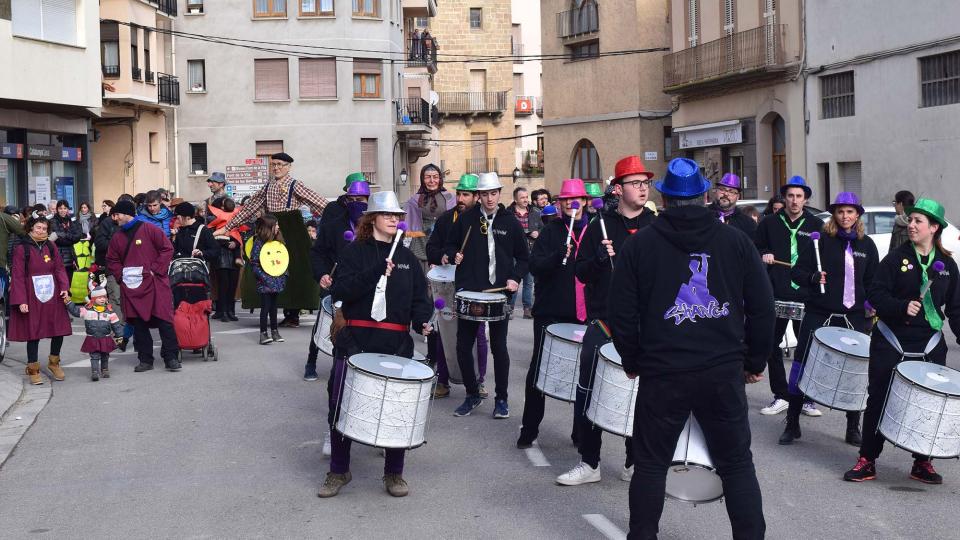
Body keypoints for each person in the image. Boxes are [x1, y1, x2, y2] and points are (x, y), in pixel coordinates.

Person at [608, 157, 774, 539]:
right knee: (735, 464)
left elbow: (621, 311)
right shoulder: (735, 241)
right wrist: (754, 360)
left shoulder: (640, 245)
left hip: (663, 370)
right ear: (704, 196)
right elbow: (763, 307)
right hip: (721, 370)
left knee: (650, 463)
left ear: (664, 200)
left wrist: (631, 359)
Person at [319, 191, 433, 498]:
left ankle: (394, 473)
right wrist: (375, 271)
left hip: (395, 341)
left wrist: (422, 319)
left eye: (397, 216)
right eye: (388, 215)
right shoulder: (355, 252)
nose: (394, 219)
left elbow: (420, 298)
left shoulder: (408, 259)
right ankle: (339, 470)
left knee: (396, 408)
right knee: (340, 403)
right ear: (372, 220)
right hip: (355, 340)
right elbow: (341, 291)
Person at [844, 198, 960, 485]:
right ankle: (867, 459)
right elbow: (875, 293)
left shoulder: (947, 266)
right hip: (891, 340)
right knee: (879, 399)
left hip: (930, 343)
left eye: (918, 221)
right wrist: (900, 307)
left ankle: (922, 462)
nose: (911, 225)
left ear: (934, 228)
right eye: (911, 220)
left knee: (928, 405)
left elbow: (956, 308)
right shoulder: (895, 259)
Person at [558, 155, 657, 485]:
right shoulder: (599, 226)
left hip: (643, 325)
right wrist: (599, 259)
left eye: (646, 183)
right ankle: (589, 461)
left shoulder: (655, 228)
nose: (643, 189)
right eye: (635, 183)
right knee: (589, 388)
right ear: (618, 189)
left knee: (640, 394)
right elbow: (580, 273)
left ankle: (633, 460)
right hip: (604, 321)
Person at [779, 192, 879, 446]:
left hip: (853, 316)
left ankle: (852, 426)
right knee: (802, 363)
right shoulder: (820, 241)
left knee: (855, 371)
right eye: (840, 212)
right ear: (834, 214)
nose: (845, 216)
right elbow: (799, 272)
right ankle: (792, 422)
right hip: (820, 312)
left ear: (857, 215)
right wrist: (813, 278)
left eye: (850, 212)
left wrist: (870, 304)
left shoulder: (866, 245)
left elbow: (873, 282)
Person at [444, 172, 529, 419]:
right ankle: (472, 393)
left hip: (499, 293)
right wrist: (453, 254)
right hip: (470, 290)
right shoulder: (466, 220)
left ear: (499, 193)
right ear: (479, 196)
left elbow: (524, 258)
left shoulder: (510, 221)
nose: (490, 198)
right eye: (485, 194)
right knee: (463, 345)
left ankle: (501, 398)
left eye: (494, 193)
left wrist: (515, 278)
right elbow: (449, 245)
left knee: (499, 348)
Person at [214, 152, 326, 328]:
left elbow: (319, 202)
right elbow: (248, 208)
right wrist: (227, 227)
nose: (276, 167)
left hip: (292, 232)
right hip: (270, 230)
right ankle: (273, 308)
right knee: (267, 268)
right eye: (274, 164)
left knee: (296, 271)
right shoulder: (267, 187)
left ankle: (293, 313)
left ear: (289, 167)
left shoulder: (295, 185)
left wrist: (337, 216)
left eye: (280, 164)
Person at [517, 179, 589, 448]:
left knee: (582, 376)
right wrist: (558, 255)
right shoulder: (551, 232)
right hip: (551, 312)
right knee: (539, 370)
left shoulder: (594, 230)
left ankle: (579, 433)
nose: (572, 205)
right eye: (566, 201)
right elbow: (535, 267)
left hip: (583, 314)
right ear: (559, 204)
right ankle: (529, 429)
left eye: (577, 200)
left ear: (583, 202)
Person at [754, 176, 824, 417]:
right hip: (777, 292)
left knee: (807, 347)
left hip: (805, 295)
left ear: (805, 199)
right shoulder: (769, 223)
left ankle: (805, 397)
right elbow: (756, 248)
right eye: (790, 196)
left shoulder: (816, 225)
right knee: (771, 345)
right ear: (784, 198)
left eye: (799, 197)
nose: (794, 201)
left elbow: (823, 260)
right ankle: (781, 395)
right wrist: (765, 253)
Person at [425, 174, 490, 399]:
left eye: (466, 194)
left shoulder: (484, 222)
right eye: (460, 194)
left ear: (477, 197)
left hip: (474, 286)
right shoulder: (445, 220)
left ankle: (479, 380)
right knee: (445, 333)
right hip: (447, 286)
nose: (461, 199)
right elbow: (431, 249)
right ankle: (443, 380)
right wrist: (443, 256)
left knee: (478, 335)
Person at [106, 200, 181, 372]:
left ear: (126, 214)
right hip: (131, 285)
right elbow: (112, 260)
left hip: (154, 282)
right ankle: (145, 360)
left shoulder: (149, 229)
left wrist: (155, 270)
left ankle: (171, 358)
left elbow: (167, 248)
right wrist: (120, 276)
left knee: (164, 321)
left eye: (117, 214)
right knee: (139, 324)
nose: (115, 218)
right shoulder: (117, 237)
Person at [9, 216, 73, 384]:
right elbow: (17, 276)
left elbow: (59, 268)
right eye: (38, 228)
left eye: (44, 229)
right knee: (33, 332)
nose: (41, 231)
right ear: (31, 228)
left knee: (58, 328)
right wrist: (21, 300)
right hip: (31, 294)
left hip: (52, 292)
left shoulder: (51, 246)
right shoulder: (22, 249)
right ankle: (33, 369)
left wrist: (65, 288)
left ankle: (54, 362)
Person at [64, 284, 124, 381]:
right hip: (92, 337)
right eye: (99, 297)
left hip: (105, 337)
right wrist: (69, 303)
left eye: (104, 297)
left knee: (105, 354)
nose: (102, 299)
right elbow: (75, 311)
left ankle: (105, 370)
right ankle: (94, 372)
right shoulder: (87, 311)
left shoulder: (110, 311)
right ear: (93, 299)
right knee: (94, 356)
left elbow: (116, 324)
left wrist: (119, 336)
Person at [404, 164, 455, 269]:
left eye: (435, 177)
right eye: (428, 177)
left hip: (443, 244)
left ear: (440, 179)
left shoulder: (450, 198)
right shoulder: (414, 200)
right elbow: (408, 226)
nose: (432, 181)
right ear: (422, 179)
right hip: (420, 246)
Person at [251, 214, 287, 345]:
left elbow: (283, 260)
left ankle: (275, 331)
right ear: (268, 227)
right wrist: (263, 277)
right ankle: (263, 333)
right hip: (264, 280)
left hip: (277, 278)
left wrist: (284, 274)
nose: (278, 227)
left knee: (274, 307)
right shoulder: (259, 243)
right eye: (276, 225)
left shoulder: (278, 242)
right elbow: (254, 263)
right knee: (265, 307)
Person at [507, 186, 542, 319]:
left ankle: (527, 308)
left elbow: (542, 228)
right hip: (514, 251)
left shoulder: (535, 212)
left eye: (526, 197)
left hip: (531, 251)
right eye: (522, 197)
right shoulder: (509, 213)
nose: (525, 200)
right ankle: (509, 307)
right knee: (514, 279)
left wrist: (538, 232)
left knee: (528, 281)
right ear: (515, 199)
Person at [207, 198, 243, 321]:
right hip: (222, 255)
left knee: (232, 284)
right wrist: (228, 243)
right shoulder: (214, 219)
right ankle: (223, 311)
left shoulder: (236, 218)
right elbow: (212, 237)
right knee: (223, 285)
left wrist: (236, 243)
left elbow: (240, 234)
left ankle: (230, 311)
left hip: (233, 255)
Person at [710, 173, 757, 240]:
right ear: (716, 191)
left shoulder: (748, 223)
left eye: (731, 191)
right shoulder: (703, 216)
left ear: (738, 197)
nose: (726, 194)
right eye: (722, 189)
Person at [49, 200, 82, 285]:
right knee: (60, 284)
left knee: (69, 283)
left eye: (65, 208)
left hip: (70, 256)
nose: (63, 210)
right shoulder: (53, 221)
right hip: (59, 255)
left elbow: (77, 237)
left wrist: (63, 234)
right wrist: (70, 238)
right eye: (60, 208)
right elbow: (59, 240)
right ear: (57, 209)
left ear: (68, 209)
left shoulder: (70, 221)